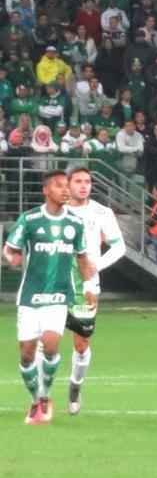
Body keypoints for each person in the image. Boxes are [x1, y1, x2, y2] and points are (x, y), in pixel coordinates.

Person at [3, 170, 94, 425]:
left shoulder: (75, 223)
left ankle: (45, 396)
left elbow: (83, 257)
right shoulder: (30, 220)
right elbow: (10, 249)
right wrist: (12, 258)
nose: (65, 190)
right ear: (46, 190)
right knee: (27, 354)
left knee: (51, 346)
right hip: (30, 297)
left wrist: (87, 286)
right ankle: (35, 398)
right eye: (58, 186)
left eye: (67, 186)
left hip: (58, 296)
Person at [63, 167, 127, 416]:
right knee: (45, 340)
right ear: (67, 184)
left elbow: (119, 246)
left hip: (87, 285)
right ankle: (40, 397)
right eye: (78, 181)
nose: (83, 185)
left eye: (87, 181)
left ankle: (75, 386)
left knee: (81, 343)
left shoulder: (102, 212)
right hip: (55, 281)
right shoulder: (58, 211)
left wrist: (94, 267)